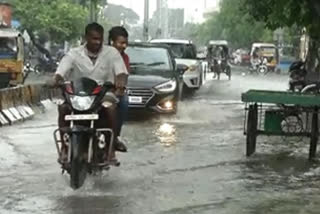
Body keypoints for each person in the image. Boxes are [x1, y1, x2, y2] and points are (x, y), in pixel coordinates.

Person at [47, 22, 128, 163]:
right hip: (78, 95)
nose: (97, 42)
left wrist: (120, 82)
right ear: (86, 38)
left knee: (111, 108)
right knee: (63, 108)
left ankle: (111, 149)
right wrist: (55, 80)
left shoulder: (112, 53)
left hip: (103, 93)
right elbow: (61, 71)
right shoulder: (74, 53)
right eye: (94, 39)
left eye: (100, 39)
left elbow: (121, 72)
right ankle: (64, 148)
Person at [108, 26, 129, 147]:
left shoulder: (124, 57)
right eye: (121, 43)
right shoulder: (101, 54)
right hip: (93, 91)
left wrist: (120, 87)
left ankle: (115, 137)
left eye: (125, 43)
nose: (124, 46)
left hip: (113, 92)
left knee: (124, 101)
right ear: (112, 42)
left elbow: (124, 75)